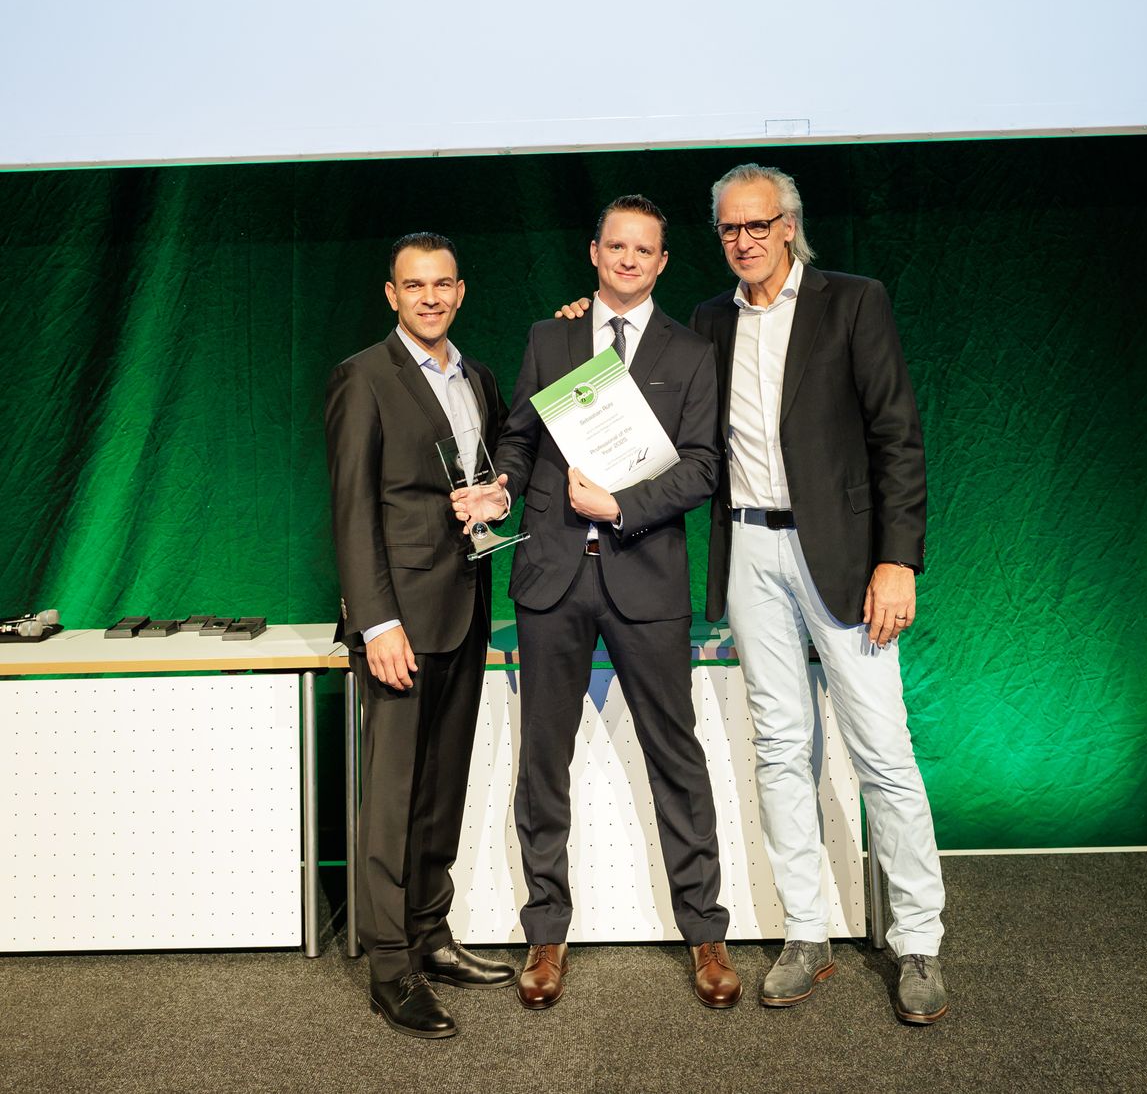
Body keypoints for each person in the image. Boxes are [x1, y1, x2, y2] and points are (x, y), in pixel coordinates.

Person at [452, 195, 740, 1010]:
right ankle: (545, 932)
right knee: (542, 762)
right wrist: (500, 487)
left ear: (662, 262)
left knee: (675, 758)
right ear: (593, 251)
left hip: (644, 577)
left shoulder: (691, 353)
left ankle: (705, 931)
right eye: (616, 246)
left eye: (643, 249)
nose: (627, 259)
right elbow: (518, 437)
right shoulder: (551, 338)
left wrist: (621, 506)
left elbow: (702, 465)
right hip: (551, 577)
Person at [692, 164, 947, 1023]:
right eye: (729, 228)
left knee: (881, 749)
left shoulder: (852, 301)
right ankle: (806, 933)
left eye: (756, 225)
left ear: (788, 226)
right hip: (748, 549)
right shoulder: (709, 320)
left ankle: (917, 940)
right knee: (778, 744)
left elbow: (896, 436)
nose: (743, 241)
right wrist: (585, 323)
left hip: (842, 555)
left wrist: (896, 559)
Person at [325, 232, 515, 1039]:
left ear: (461, 291)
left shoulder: (478, 378)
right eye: (414, 285)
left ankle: (431, 935)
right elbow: (351, 510)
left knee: (440, 789)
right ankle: (390, 967)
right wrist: (376, 622)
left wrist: (499, 495)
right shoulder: (364, 377)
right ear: (391, 294)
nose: (430, 298)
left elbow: (492, 473)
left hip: (465, 608)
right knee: (394, 797)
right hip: (397, 622)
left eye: (442, 284)